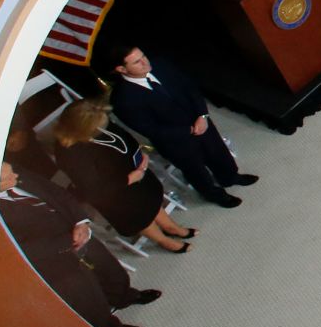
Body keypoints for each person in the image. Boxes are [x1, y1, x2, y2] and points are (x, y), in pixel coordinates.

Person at [0, 160, 159, 327]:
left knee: (109, 267)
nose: (16, 176)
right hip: (49, 256)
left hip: (73, 228)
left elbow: (56, 193)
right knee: (85, 294)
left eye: (12, 171)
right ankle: (110, 326)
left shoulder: (15, 172)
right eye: (8, 177)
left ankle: (123, 296)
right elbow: (23, 247)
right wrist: (69, 241)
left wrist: (81, 222)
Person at [107, 46, 258, 209]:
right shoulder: (122, 99)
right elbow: (149, 129)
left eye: (143, 56)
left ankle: (230, 177)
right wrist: (189, 130)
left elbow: (190, 88)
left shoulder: (161, 65)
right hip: (175, 141)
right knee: (196, 171)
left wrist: (202, 115)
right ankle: (215, 195)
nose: (145, 62)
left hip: (200, 121)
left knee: (218, 151)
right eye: (137, 62)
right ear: (122, 69)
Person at [52, 98, 195, 252]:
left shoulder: (96, 123)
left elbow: (121, 137)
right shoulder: (71, 155)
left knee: (151, 202)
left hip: (135, 174)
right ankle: (164, 240)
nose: (105, 125)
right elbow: (94, 190)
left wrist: (139, 154)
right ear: (83, 129)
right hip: (116, 194)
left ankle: (170, 227)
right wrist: (130, 179)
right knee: (141, 217)